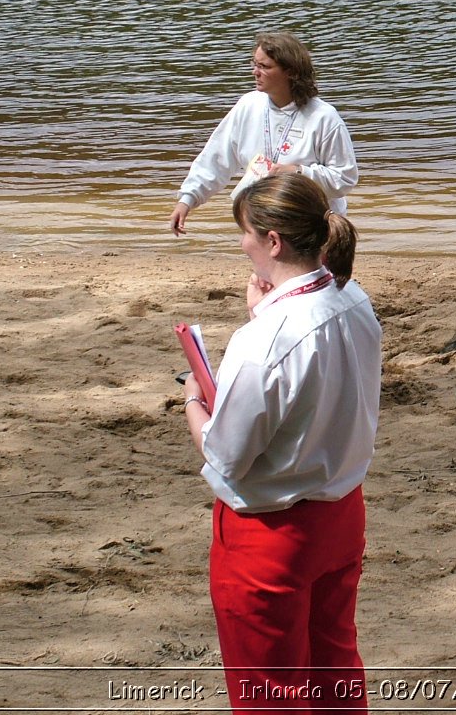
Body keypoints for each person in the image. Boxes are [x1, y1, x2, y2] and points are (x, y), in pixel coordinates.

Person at [179, 172, 380, 710]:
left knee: (269, 692)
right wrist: (262, 313)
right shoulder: (354, 300)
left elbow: (226, 454)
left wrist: (194, 406)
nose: (241, 244)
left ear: (273, 241)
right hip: (340, 515)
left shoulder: (263, 339)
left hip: (270, 537)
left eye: (245, 233)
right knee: (335, 671)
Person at [170, 32, 359, 236]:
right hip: (263, 220)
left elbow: (345, 178)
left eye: (264, 67)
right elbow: (215, 159)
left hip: (312, 225)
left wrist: (298, 173)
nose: (255, 72)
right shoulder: (248, 105)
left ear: (291, 72)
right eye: (254, 64)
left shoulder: (324, 117)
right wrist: (187, 200)